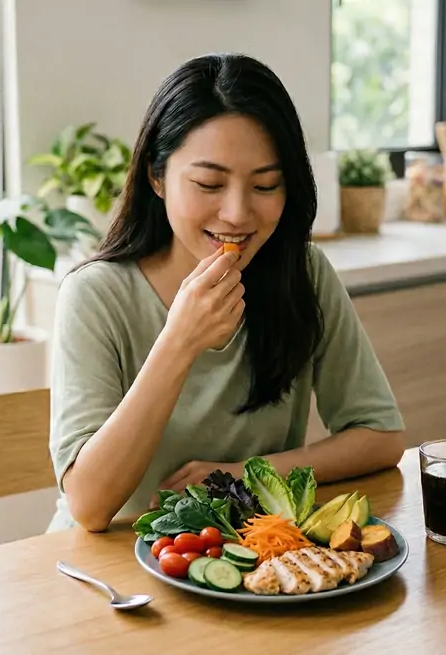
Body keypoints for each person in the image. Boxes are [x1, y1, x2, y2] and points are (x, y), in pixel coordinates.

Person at [47, 53, 406, 533]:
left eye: (265, 185)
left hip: (244, 563)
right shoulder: (94, 296)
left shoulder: (304, 274)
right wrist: (180, 340)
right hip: (107, 573)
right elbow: (89, 506)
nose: (237, 214)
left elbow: (381, 438)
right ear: (157, 176)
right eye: (209, 183)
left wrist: (243, 478)